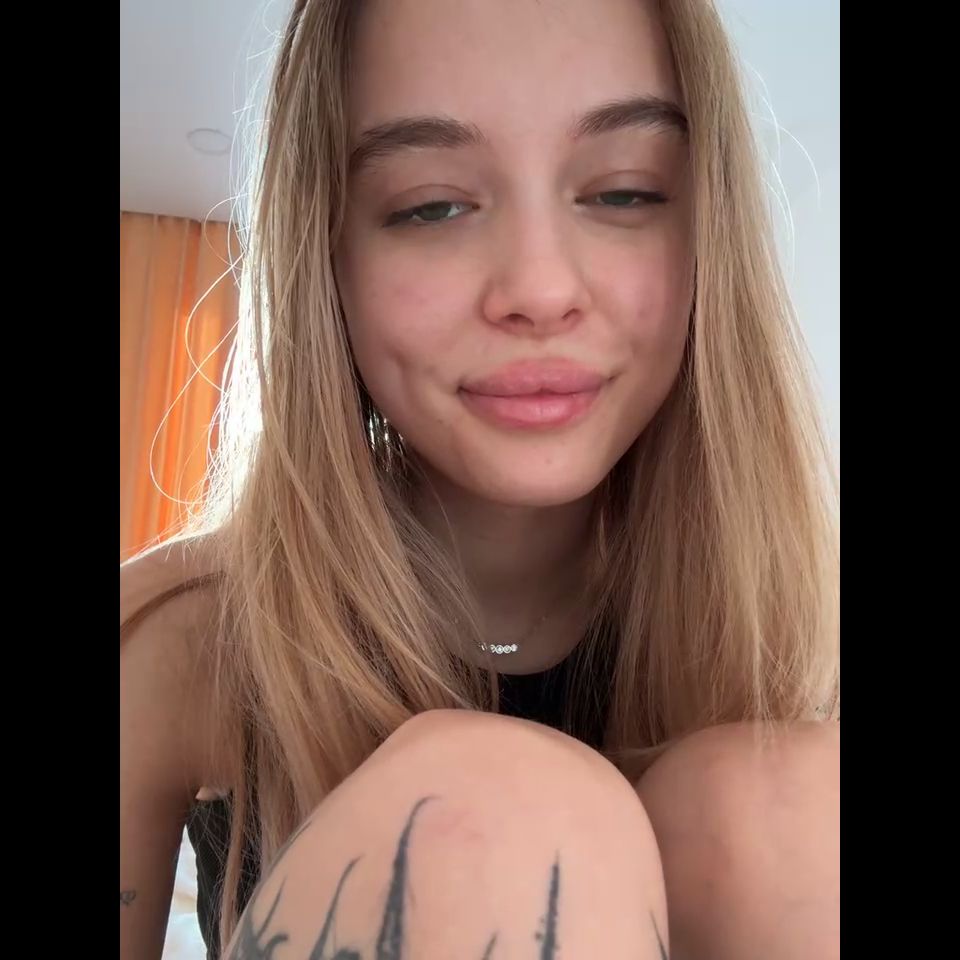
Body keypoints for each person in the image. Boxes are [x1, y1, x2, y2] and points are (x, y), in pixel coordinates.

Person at [120, 0, 840, 957]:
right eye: (432, 206)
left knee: (783, 808)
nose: (541, 290)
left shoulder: (803, 630)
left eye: (625, 193)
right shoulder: (175, 635)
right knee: (485, 819)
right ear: (325, 258)